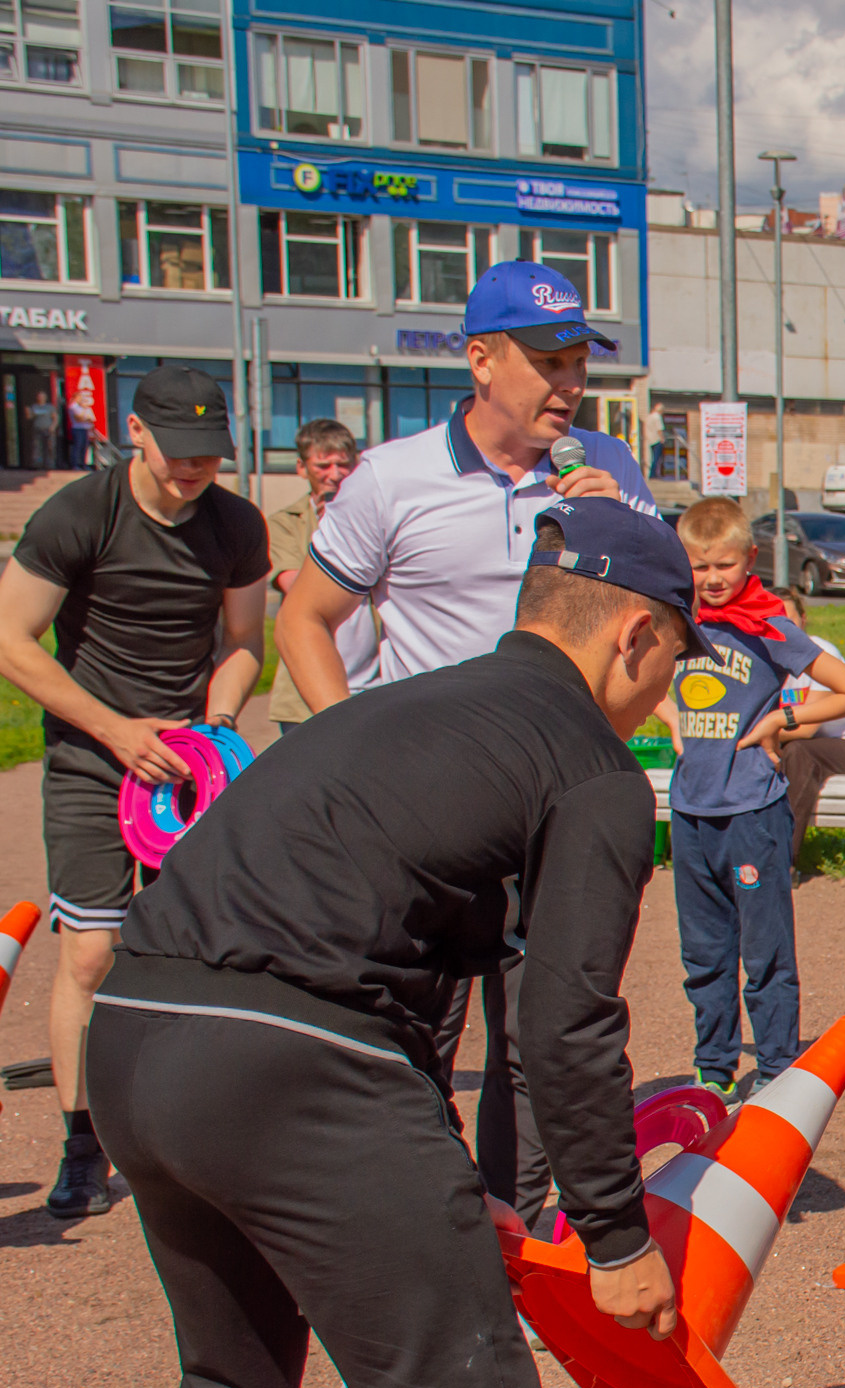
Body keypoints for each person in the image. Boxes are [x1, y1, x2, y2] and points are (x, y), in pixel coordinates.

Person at [88, 498, 703, 1388]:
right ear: (633, 633)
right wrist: (619, 1236)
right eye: (674, 662)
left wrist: (436, 1172)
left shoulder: (390, 711)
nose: (664, 696)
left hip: (140, 1031)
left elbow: (373, 938)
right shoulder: (591, 768)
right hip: (296, 1066)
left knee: (230, 1386)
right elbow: (565, 1022)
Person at [274, 259, 652, 1227]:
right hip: (423, 820)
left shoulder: (610, 471)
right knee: (405, 1046)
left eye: (580, 362)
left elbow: (653, 631)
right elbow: (306, 621)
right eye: (549, 361)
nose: (571, 383)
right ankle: (413, 1244)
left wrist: (620, 515)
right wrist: (351, 749)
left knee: (538, 1046)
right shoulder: (393, 479)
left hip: (550, 810)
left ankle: (509, 1251)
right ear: (481, 359)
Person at [0, 365, 267, 1219]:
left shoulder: (236, 524)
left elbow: (244, 643)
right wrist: (116, 731)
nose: (194, 469)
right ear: (136, 434)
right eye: (179, 452)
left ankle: (191, 1133)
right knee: (88, 953)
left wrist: (215, 726)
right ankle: (83, 1145)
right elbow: (10, 640)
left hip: (190, 768)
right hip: (93, 759)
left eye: (210, 455)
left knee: (198, 952)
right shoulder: (82, 512)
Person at [662, 499, 845, 1094]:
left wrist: (785, 716)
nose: (712, 579)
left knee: (765, 954)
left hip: (753, 813)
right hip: (689, 812)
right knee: (703, 955)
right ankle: (715, 1070)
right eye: (699, 567)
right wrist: (669, 713)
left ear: (750, 559)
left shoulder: (770, 626)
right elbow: (631, 675)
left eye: (724, 565)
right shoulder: (676, 620)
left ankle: (778, 1069)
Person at [264, 418, 374, 737]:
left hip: (375, 683)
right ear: (301, 468)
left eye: (343, 464)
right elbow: (297, 587)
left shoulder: (376, 516)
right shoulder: (284, 523)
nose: (335, 474)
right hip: (305, 692)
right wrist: (329, 531)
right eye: (323, 465)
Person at [771, 586, 845, 867]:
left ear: (803, 620)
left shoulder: (819, 653)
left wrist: (755, 735)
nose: (781, 627)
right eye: (772, 619)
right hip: (794, 754)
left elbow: (807, 728)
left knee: (799, 750)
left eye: (789, 619)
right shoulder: (760, 658)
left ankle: (783, 862)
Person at [25, 388, 59, 472]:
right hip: (37, 429)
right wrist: (27, 412)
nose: (41, 398)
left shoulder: (49, 407)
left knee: (50, 447)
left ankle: (50, 464)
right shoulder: (34, 407)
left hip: (48, 429)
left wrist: (53, 426)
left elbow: (55, 418)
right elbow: (29, 417)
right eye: (39, 396)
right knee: (37, 447)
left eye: (42, 396)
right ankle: (37, 464)